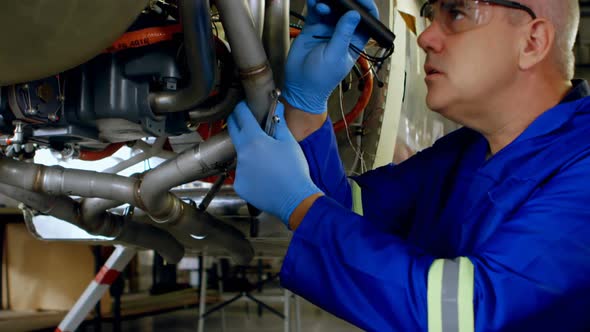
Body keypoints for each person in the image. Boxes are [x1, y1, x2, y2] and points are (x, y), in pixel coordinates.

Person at [227, 0, 590, 330]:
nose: (426, 37)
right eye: (432, 15)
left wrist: (300, 207)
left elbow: (468, 315)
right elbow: (350, 214)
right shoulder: (464, 151)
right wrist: (306, 106)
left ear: (532, 42)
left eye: (457, 13)